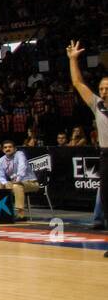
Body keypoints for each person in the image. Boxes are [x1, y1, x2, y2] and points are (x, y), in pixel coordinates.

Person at [66, 41, 107, 232]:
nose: (104, 92)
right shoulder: (97, 105)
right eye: (101, 89)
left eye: (107, 89)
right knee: (105, 198)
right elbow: (77, 83)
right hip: (105, 154)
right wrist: (73, 59)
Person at [0, 140, 39, 220]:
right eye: (5, 147)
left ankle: (20, 214)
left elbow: (22, 168)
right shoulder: (0, 161)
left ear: (15, 149)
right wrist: (5, 183)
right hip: (13, 183)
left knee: (16, 186)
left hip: (30, 183)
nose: (7, 149)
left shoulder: (19, 154)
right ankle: (0, 212)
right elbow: (0, 176)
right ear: (2, 150)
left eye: (10, 147)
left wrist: (18, 179)